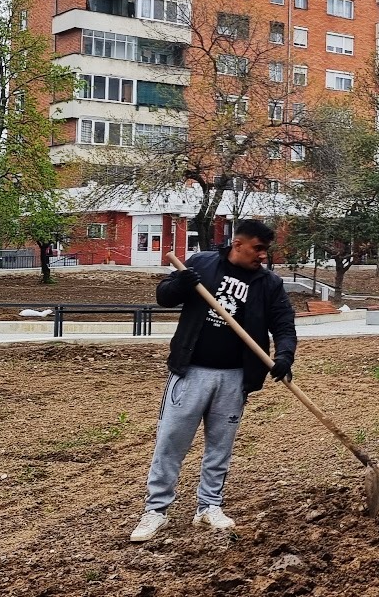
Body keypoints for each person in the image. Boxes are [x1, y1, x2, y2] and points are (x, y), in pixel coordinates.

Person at [130, 219, 297, 543]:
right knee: (170, 443)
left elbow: (284, 323)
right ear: (238, 244)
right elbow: (164, 296)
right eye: (258, 249)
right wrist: (181, 283)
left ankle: (209, 507)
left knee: (220, 448)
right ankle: (156, 511)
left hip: (235, 378)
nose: (263, 255)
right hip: (191, 372)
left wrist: (285, 356)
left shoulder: (268, 283)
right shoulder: (202, 264)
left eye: (265, 249)